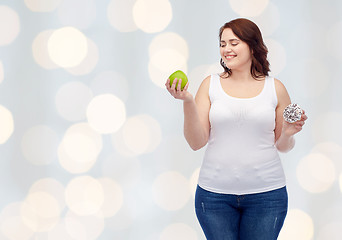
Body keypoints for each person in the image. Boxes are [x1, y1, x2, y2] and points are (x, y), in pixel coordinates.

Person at [165, 18, 308, 240]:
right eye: (223, 44)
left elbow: (283, 146)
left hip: (267, 196)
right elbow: (196, 142)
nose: (226, 49)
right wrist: (187, 101)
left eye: (234, 43)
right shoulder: (209, 85)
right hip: (214, 197)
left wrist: (288, 133)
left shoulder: (275, 88)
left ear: (253, 46)